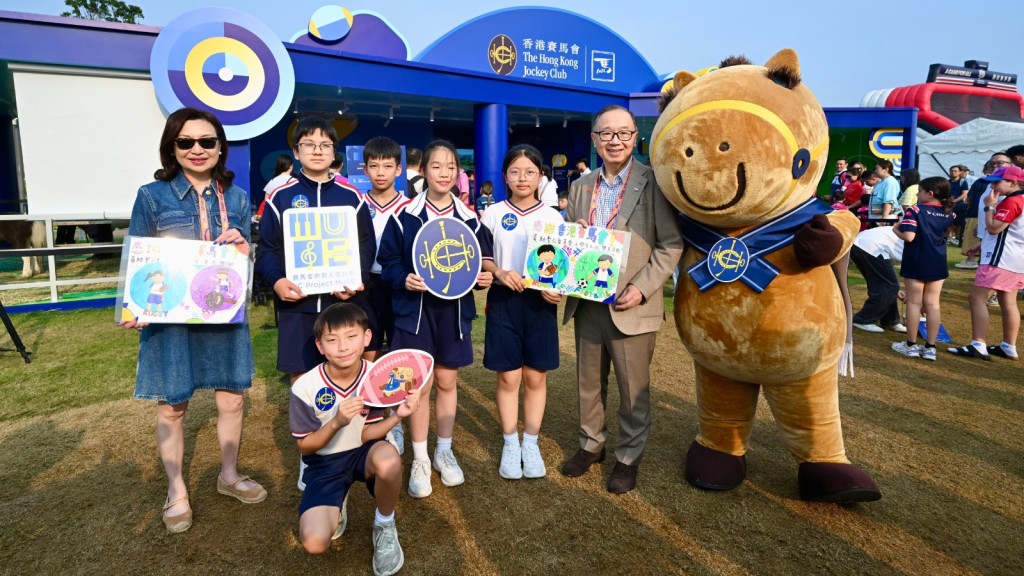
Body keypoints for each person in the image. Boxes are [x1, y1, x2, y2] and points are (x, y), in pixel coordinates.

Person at [123, 107, 265, 534]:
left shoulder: (236, 199)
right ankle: (176, 490)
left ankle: (228, 475)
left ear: (220, 147)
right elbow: (137, 253)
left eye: (207, 141)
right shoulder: (152, 196)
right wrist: (133, 306)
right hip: (172, 318)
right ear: (172, 147)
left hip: (222, 311)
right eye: (186, 142)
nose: (197, 149)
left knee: (232, 400)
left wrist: (244, 248)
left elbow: (245, 263)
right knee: (173, 405)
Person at [560, 105, 683, 494]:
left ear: (635, 137)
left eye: (623, 133)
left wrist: (642, 287)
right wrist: (574, 231)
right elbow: (569, 239)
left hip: (631, 304)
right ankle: (590, 445)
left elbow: (671, 244)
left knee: (633, 391)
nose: (615, 141)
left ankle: (628, 458)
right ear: (594, 139)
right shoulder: (581, 185)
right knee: (588, 383)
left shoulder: (654, 182)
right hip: (588, 301)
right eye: (606, 133)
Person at [378, 139, 494, 498]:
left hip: (453, 313)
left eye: (451, 167)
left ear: (458, 173)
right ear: (424, 171)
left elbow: (481, 261)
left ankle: (443, 451)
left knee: (446, 381)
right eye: (436, 166)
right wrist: (404, 279)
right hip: (414, 314)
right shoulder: (404, 216)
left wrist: (483, 278)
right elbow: (388, 264)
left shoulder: (470, 219)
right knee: (418, 386)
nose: (444, 173)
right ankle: (420, 458)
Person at [290, 302, 418, 576]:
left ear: (367, 337)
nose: (343, 346)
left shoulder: (376, 377)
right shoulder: (305, 386)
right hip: (325, 463)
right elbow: (305, 446)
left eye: (351, 336)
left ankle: (385, 523)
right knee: (314, 542)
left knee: (389, 459)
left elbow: (367, 434)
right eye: (332, 340)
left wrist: (398, 416)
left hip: (364, 451)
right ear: (320, 346)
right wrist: (336, 422)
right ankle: (338, 498)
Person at [255, 116, 377, 387]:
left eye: (325, 145)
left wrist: (357, 278)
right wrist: (277, 281)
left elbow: (366, 244)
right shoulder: (280, 196)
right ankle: (306, 418)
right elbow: (267, 249)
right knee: (301, 377)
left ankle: (349, 417)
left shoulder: (351, 196)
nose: (318, 151)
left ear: (334, 152)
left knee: (347, 372)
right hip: (297, 305)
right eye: (309, 144)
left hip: (342, 302)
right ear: (296, 152)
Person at [479, 145, 564, 480]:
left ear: (540, 176)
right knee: (508, 377)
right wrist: (499, 272)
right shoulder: (493, 213)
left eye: (530, 172)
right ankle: (510, 443)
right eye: (515, 172)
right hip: (504, 302)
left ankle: (531, 442)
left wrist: (556, 288)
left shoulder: (553, 217)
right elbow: (484, 257)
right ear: (505, 176)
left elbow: (563, 266)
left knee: (535, 377)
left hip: (539, 305)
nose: (522, 178)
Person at [951, 164, 1024, 361]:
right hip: (1015, 259)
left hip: (1000, 259)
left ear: (1013, 182)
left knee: (977, 298)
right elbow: (1010, 232)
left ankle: (978, 344)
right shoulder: (1020, 199)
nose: (993, 187)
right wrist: (980, 245)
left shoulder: (1012, 201)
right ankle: (1008, 346)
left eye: (997, 182)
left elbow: (994, 228)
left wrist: (989, 206)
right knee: (1008, 301)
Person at [890, 177, 956, 361]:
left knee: (914, 302)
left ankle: (911, 345)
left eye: (919, 191)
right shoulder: (948, 213)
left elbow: (909, 237)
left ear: (930, 193)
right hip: (938, 260)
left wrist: (895, 229)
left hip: (917, 259)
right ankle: (930, 348)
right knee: (933, 304)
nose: (917, 194)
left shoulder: (915, 210)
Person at [360, 137, 411, 359]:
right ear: (365, 170)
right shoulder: (357, 204)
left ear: (398, 170)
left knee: (400, 347)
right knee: (369, 346)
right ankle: (367, 382)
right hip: (366, 283)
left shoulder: (410, 208)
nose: (380, 172)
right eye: (374, 166)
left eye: (388, 166)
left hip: (399, 283)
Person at [957, 154, 1012, 270]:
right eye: (991, 163)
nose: (994, 165)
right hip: (988, 234)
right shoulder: (990, 185)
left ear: (1010, 165)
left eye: (999, 162)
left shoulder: (1008, 190)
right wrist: (980, 225)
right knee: (984, 268)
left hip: (999, 237)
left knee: (993, 271)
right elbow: (985, 207)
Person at [849, 226, 905, 334]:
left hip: (863, 243)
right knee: (889, 286)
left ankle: (890, 321)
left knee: (889, 286)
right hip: (871, 246)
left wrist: (897, 290)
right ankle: (863, 320)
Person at [256, 154, 294, 222]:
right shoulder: (294, 182)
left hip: (274, 217)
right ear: (290, 166)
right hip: (289, 217)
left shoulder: (271, 182)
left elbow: (266, 201)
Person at [867, 161, 902, 227]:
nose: (875, 171)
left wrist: (884, 218)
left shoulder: (890, 182)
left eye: (877, 168)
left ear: (886, 170)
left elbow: (888, 201)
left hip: (884, 219)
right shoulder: (880, 181)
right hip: (876, 218)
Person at [948, 165, 970, 246]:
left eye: (955, 171)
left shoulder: (963, 182)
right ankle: (948, 238)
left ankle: (957, 239)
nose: (953, 172)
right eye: (951, 171)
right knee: (949, 223)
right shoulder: (947, 182)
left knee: (959, 224)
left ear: (960, 172)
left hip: (959, 206)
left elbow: (964, 194)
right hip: (948, 206)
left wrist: (955, 200)